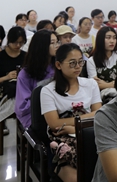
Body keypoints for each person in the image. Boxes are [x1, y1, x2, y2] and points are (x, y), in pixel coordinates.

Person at [41, 43, 102, 181]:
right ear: (58, 65)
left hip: (90, 131)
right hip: (63, 138)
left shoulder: (91, 84)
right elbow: (54, 124)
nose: (78, 67)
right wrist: (85, 119)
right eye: (72, 63)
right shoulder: (48, 91)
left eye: (81, 62)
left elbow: (99, 114)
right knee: (76, 176)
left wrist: (75, 126)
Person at [0, 26, 27, 135]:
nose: (18, 45)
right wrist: (7, 77)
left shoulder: (26, 57)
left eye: (21, 42)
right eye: (15, 42)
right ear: (9, 40)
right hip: (4, 93)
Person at [15, 29, 58, 129]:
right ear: (41, 46)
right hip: (35, 115)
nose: (57, 45)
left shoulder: (58, 66)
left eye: (57, 42)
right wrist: (48, 101)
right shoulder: (26, 74)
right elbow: (22, 107)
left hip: (59, 110)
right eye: (52, 43)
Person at [87, 27, 117, 103]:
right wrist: (113, 84)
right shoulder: (92, 60)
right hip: (103, 96)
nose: (112, 41)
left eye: (114, 38)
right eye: (108, 38)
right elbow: (94, 84)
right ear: (100, 39)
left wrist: (105, 84)